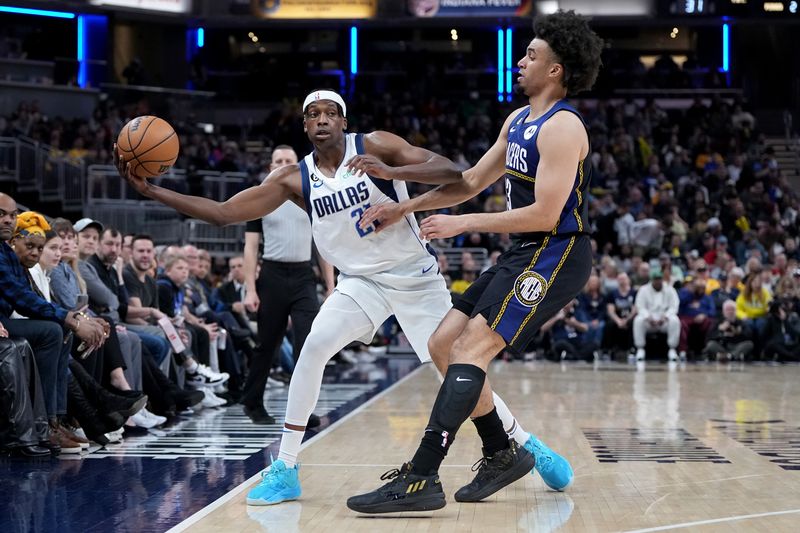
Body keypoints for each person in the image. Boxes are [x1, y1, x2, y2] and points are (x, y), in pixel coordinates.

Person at [114, 87, 565, 507]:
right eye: (313, 115)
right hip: (360, 282)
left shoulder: (376, 145)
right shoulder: (294, 178)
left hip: (414, 276)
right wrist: (152, 189)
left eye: (331, 113)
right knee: (313, 348)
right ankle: (286, 466)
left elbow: (452, 172)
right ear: (305, 127)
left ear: (344, 121)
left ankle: (528, 445)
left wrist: (392, 172)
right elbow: (223, 213)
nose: (322, 120)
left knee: (455, 366)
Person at [351, 10, 601, 512]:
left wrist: (464, 225)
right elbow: (467, 182)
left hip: (559, 251)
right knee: (442, 343)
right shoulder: (518, 121)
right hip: (523, 251)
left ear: (556, 70)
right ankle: (501, 452)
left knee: (471, 350)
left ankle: (421, 477)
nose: (521, 60)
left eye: (531, 54)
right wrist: (405, 205)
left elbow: (547, 213)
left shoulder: (563, 127)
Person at [241, 145, 334, 424]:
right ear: (271, 167)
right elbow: (250, 248)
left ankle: (303, 409)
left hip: (304, 276)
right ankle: (252, 403)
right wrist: (250, 288)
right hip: (271, 275)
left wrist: (330, 286)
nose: (282, 164)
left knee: (308, 343)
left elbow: (323, 245)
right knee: (267, 344)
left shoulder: (312, 196)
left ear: (298, 166)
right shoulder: (259, 199)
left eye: (288, 161)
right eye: (278, 161)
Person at [632, 267, 680, 362]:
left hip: (664, 320)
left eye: (659, 279)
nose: (658, 281)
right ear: (651, 280)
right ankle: (640, 349)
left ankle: (672, 350)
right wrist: (648, 317)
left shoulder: (670, 290)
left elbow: (674, 306)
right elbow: (640, 307)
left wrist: (665, 316)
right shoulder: (643, 290)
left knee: (675, 320)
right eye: (655, 279)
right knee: (638, 320)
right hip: (649, 320)